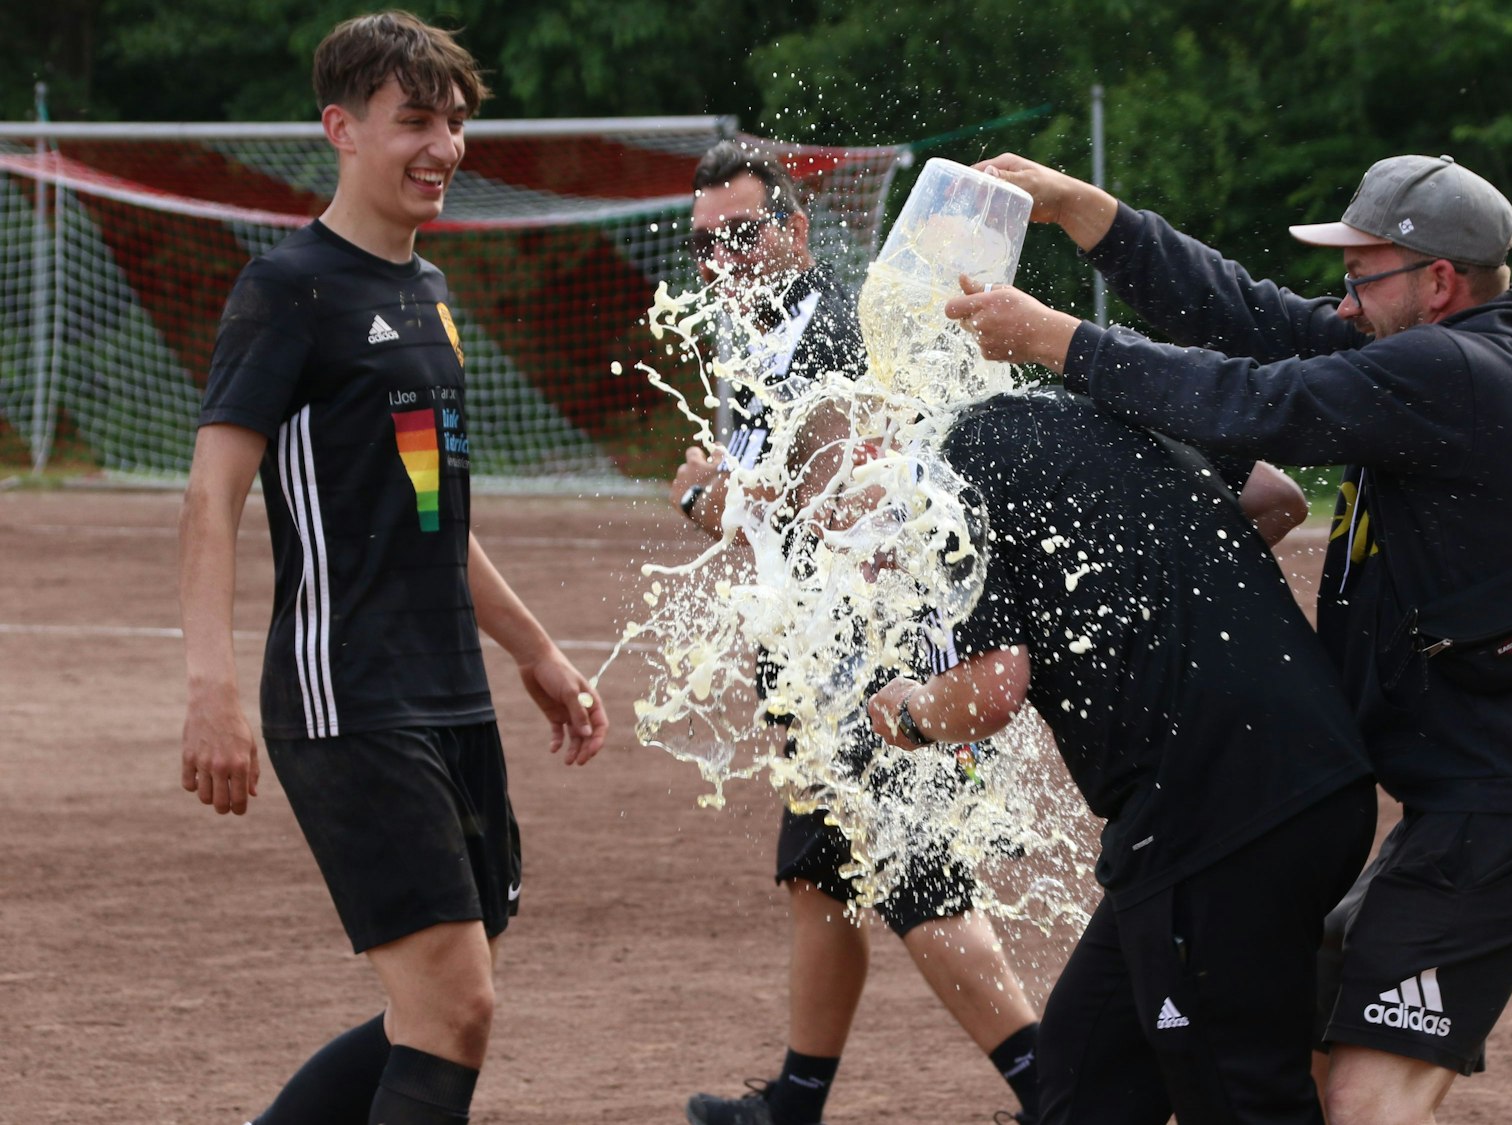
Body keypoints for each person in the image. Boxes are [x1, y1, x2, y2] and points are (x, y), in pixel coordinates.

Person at [944, 152, 1512, 1125]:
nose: (1340, 302)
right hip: (1463, 804)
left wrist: (1055, 341)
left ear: (1437, 282)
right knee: (1287, 1058)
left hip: (1509, 817)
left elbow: (1255, 402)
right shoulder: (1433, 352)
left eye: (1360, 275)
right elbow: (1253, 323)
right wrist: (1093, 217)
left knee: (1356, 1097)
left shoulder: (1455, 372)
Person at [177, 13, 607, 1125]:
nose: (444, 147)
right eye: (414, 120)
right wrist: (210, 690)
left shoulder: (428, 297)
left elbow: (433, 514)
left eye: (455, 123)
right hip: (347, 691)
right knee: (453, 1010)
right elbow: (213, 493)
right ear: (342, 129)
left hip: (448, 688)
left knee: (452, 994)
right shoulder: (289, 290)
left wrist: (538, 651)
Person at [859, 386, 1378, 1125]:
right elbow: (1279, 499)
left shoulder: (943, 468)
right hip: (1310, 777)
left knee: (1237, 1100)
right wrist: (1143, 586)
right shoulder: (1087, 399)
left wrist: (909, 711)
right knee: (1084, 1071)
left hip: (1217, 812)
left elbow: (993, 687)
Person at [670, 141, 1044, 1125]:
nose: (720, 258)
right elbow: (766, 499)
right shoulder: (756, 334)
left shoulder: (831, 331)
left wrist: (711, 495)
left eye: (742, 234)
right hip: (827, 660)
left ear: (794, 231)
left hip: (884, 660)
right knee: (821, 880)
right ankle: (796, 1102)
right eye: (701, 242)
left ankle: (1055, 1091)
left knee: (918, 885)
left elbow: (830, 508)